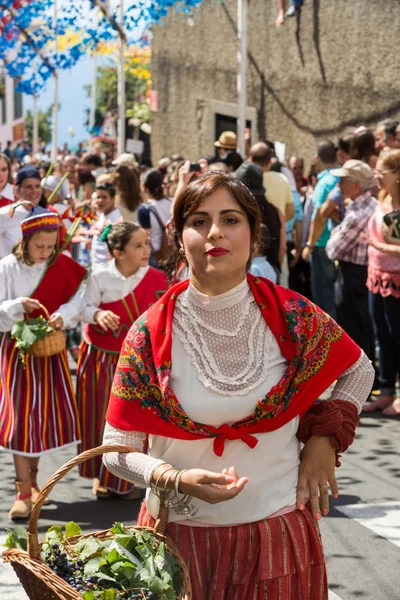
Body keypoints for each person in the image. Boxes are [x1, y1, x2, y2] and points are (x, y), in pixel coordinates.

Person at [103, 171, 374, 600]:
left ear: (253, 231)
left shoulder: (292, 315)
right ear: (179, 236)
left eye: (230, 220)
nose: (215, 233)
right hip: (177, 546)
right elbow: (117, 446)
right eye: (198, 221)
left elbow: (359, 370)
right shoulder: (149, 332)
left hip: (277, 539)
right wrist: (172, 477)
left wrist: (325, 437)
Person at [0, 206, 87, 519]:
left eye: (51, 246)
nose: (46, 252)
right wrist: (16, 305)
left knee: (39, 420)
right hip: (16, 351)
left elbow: (81, 296)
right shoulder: (7, 267)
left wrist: (64, 314)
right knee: (19, 419)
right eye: (40, 247)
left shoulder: (58, 263)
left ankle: (34, 483)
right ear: (25, 240)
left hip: (49, 352)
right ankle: (22, 490)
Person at [73, 222, 168, 498]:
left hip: (139, 360)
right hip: (101, 356)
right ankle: (102, 474)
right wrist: (97, 315)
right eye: (138, 245)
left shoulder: (158, 278)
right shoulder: (100, 276)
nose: (145, 250)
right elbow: (83, 307)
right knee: (99, 414)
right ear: (118, 252)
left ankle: (125, 480)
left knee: (132, 418)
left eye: (146, 244)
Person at [325, 160, 377, 361]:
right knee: (363, 325)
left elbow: (333, 250)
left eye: (343, 181)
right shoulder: (371, 204)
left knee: (354, 328)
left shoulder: (357, 214)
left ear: (355, 185)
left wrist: (335, 233)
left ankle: (362, 379)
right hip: (361, 273)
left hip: (353, 275)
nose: (339, 185)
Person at [362, 150, 400, 415]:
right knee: (382, 338)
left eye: (381, 173)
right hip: (376, 277)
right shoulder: (382, 199)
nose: (376, 177)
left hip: (397, 278)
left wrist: (378, 245)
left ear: (397, 175)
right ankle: (386, 392)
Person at [302, 140, 339, 317]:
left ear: (317, 158)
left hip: (322, 244)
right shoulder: (341, 177)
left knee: (325, 299)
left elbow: (319, 217)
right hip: (338, 245)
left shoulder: (324, 183)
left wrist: (309, 245)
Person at [235, 160, 285, 280]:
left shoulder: (237, 213)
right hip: (271, 269)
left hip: (248, 274)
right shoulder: (275, 210)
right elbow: (283, 247)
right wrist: (275, 268)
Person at [0, 166, 43, 259]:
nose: (34, 191)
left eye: (37, 186)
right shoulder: (5, 214)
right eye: (28, 187)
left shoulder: (45, 216)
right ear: (16, 191)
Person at [249, 142, 294, 221]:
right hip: (276, 232)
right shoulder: (283, 179)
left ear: (251, 160)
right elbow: (290, 212)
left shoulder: (245, 180)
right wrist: (276, 224)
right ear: (270, 160)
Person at [137, 169, 172, 267]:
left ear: (144, 186)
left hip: (154, 255)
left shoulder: (144, 209)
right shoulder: (171, 202)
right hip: (172, 252)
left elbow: (145, 236)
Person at [90, 182, 122, 269]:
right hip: (97, 267)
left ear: (113, 199)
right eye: (98, 197)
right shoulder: (102, 215)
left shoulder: (117, 219)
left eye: (104, 197)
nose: (100, 201)